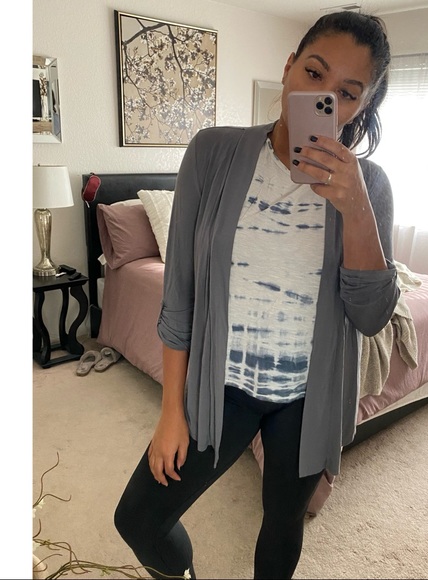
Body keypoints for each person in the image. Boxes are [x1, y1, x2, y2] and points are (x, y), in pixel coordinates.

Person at [114, 10, 399, 579]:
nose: (323, 97)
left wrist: (357, 209)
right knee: (140, 520)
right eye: (314, 73)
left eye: (346, 93)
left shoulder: (370, 186)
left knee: (283, 526)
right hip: (222, 387)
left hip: (309, 398)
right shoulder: (213, 152)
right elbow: (180, 295)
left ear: (360, 107)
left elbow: (371, 318)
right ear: (288, 67)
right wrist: (171, 412)